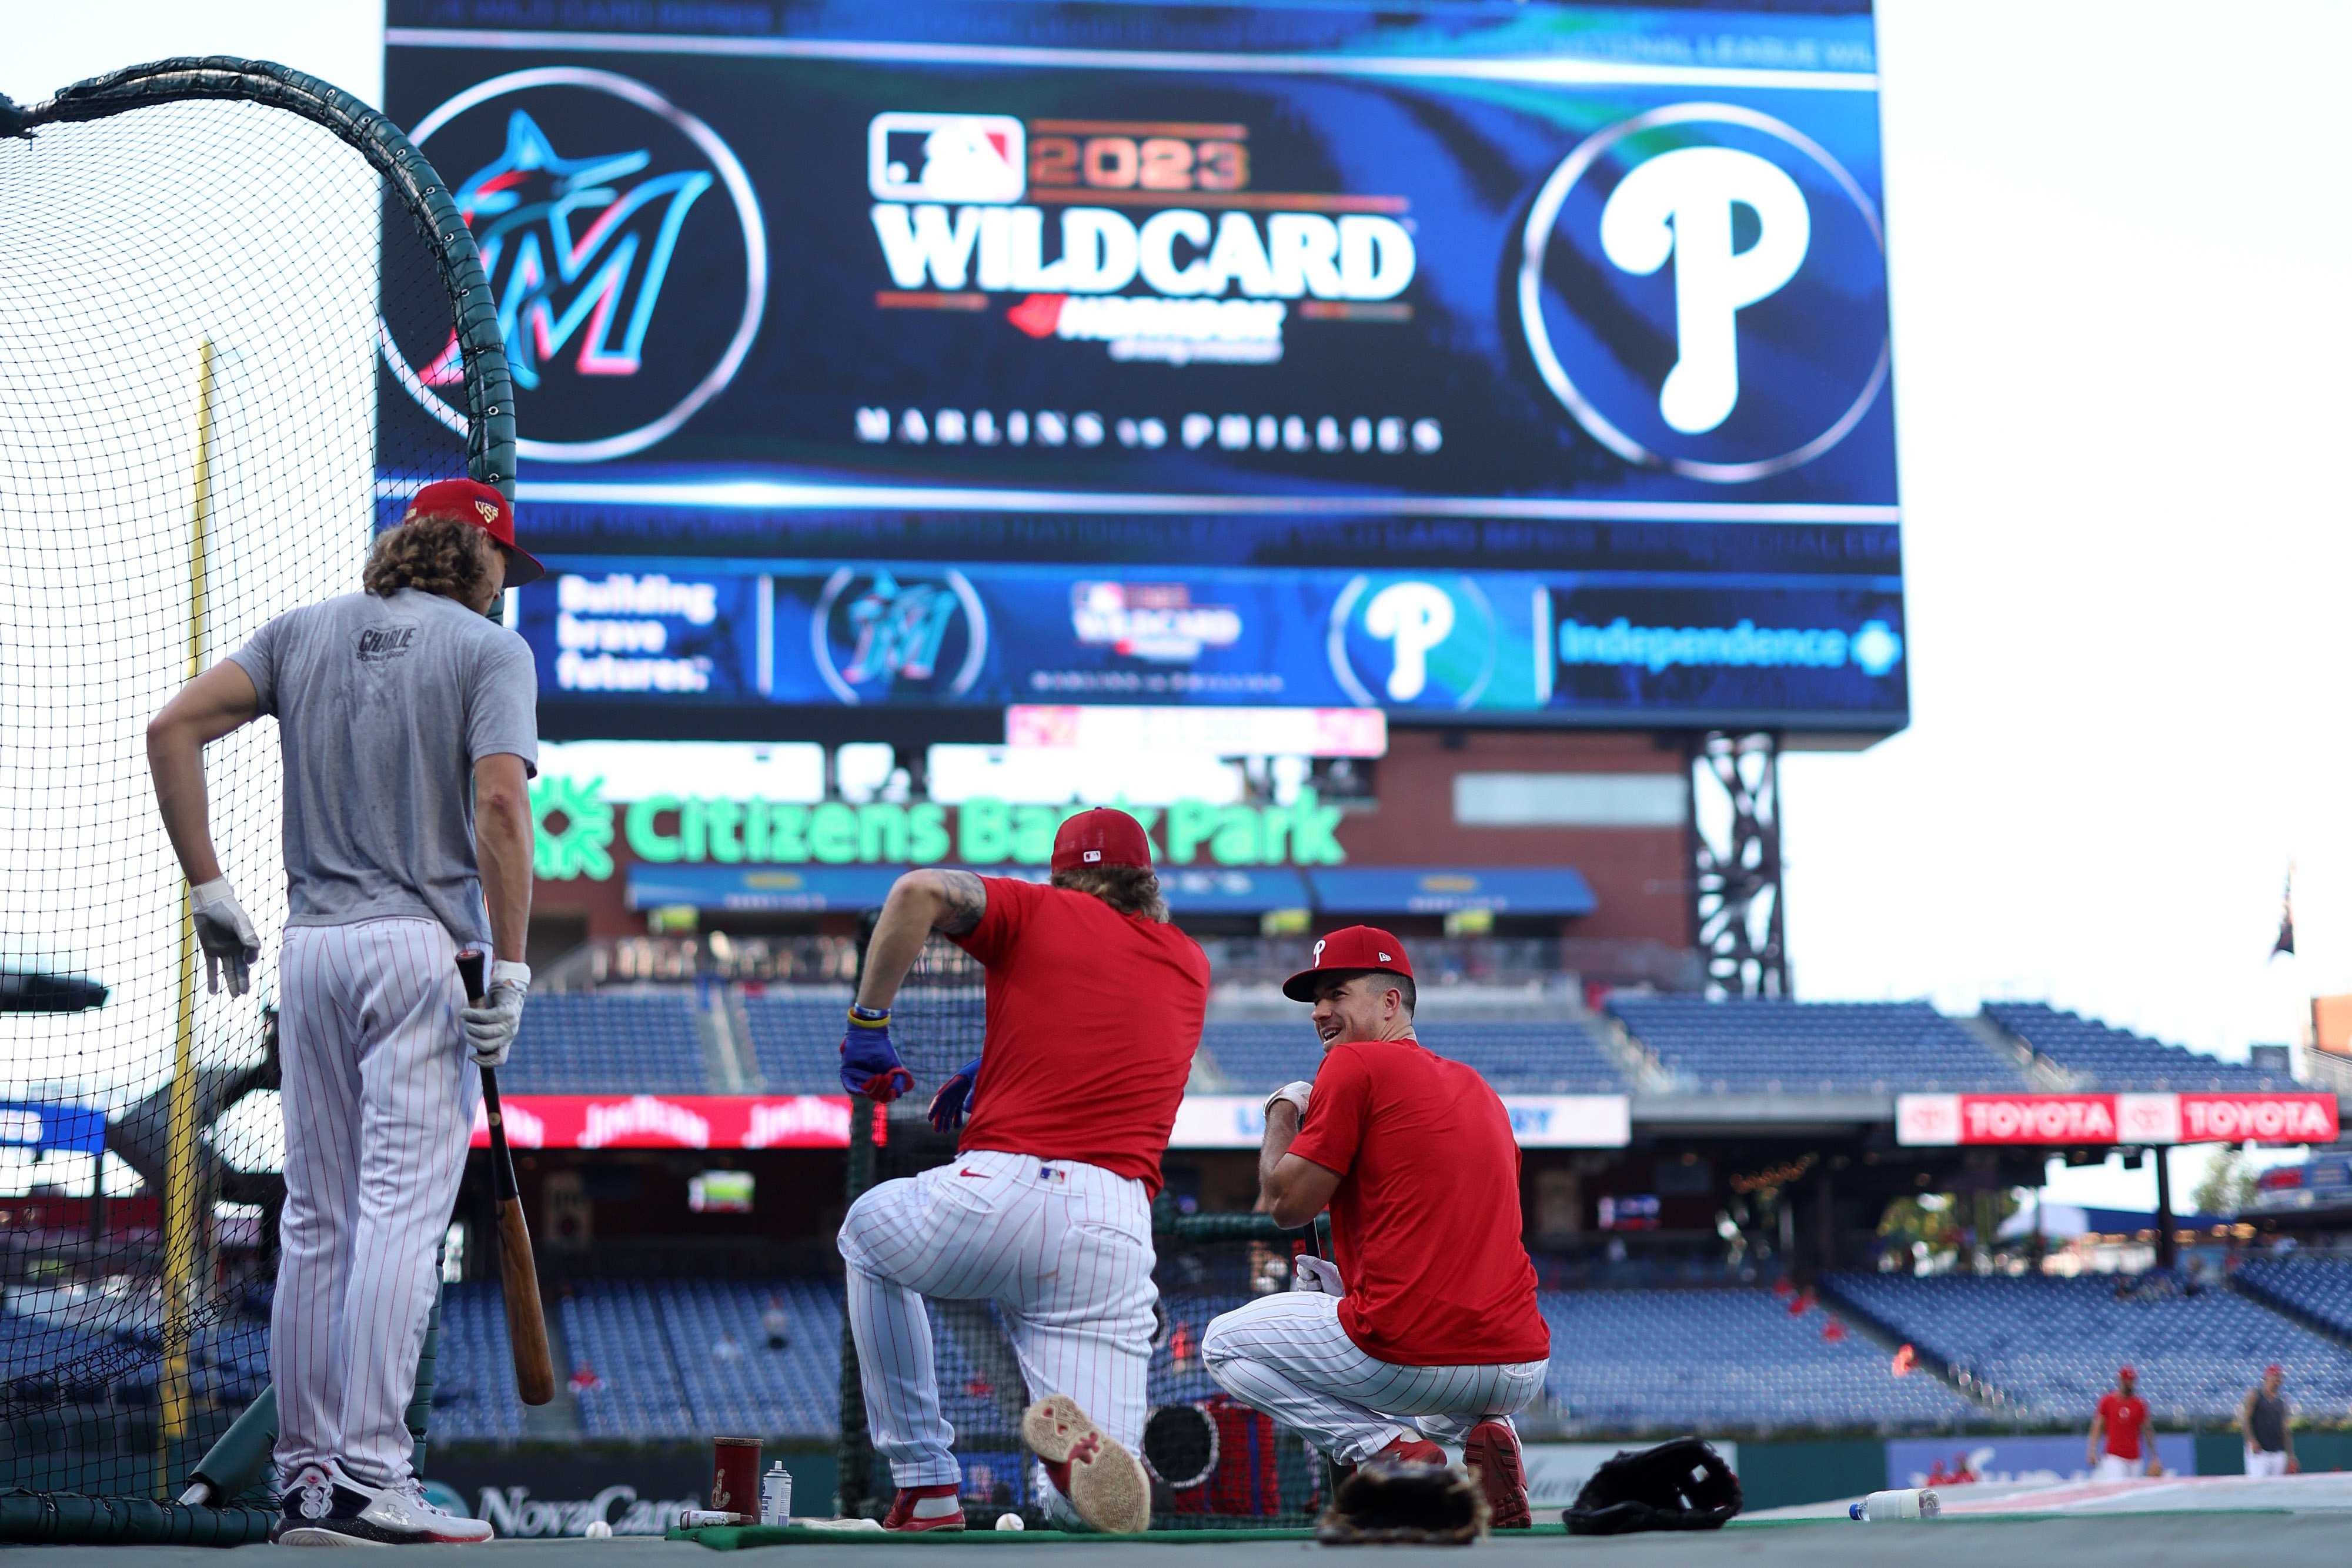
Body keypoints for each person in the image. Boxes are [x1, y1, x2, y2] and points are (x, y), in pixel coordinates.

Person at [146, 479, 542, 1546]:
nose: (510, 585)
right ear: (475, 555)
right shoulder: (488, 649)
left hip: (308, 948)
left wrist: (207, 887)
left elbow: (171, 726)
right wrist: (511, 965)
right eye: (506, 563)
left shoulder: (301, 631)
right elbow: (502, 804)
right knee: (401, 1224)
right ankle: (373, 1477)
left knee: (318, 1223)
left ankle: (309, 1482)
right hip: (419, 947)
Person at [834, 809, 1209, 1534]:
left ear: (1064, 876)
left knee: (867, 1237)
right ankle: (1070, 1486)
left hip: (995, 1198)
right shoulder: (1188, 962)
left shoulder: (1042, 909)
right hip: (1112, 1228)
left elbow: (916, 894)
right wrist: (1009, 1058)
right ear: (1148, 883)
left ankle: (926, 1482)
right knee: (1092, 1515)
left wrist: (869, 1023)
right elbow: (1105, 1018)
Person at [1199, 927, 1551, 1529]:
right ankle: (1491, 1435)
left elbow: (1284, 1205)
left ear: (1390, 1004)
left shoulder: (1354, 1063)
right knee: (1443, 1400)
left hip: (1412, 1352)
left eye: (1336, 993)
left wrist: (1282, 1108)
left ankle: (1388, 1453)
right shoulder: (1480, 1089)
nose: (1320, 1012)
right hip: (1519, 1364)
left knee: (1221, 1344)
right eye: (1315, 1000)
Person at [2089, 1365, 2151, 1480]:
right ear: (2121, 1381)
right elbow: (2098, 1427)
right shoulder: (2108, 1402)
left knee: (2134, 1492)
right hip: (2114, 1456)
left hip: (2134, 1457)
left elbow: (2147, 1430)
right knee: (2116, 1484)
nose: (2130, 1384)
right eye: (2128, 1380)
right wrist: (2092, 1450)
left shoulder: (2140, 1404)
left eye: (2132, 1381)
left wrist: (2154, 1456)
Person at [2240, 1363, 2298, 1476]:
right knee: (2258, 1484)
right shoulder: (2255, 1396)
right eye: (2275, 1376)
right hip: (2260, 1451)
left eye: (2279, 1377)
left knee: (2276, 1487)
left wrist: (2291, 1454)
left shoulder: (2281, 1402)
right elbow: (2246, 1419)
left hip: (2278, 1451)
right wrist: (2251, 1440)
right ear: (2267, 1377)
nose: (2277, 1380)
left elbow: (2285, 1429)